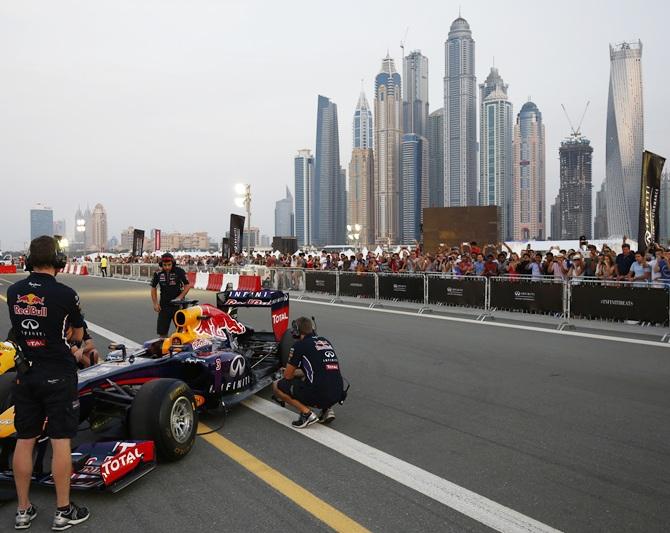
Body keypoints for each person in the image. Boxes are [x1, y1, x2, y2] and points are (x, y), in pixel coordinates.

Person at [5, 236, 90, 530]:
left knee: (25, 440)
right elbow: (77, 334)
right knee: (60, 439)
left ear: (29, 260)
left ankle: (23, 510)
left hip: (26, 374)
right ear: (58, 260)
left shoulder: (14, 291)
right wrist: (76, 348)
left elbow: (17, 332)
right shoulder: (67, 294)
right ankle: (63, 511)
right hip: (58, 374)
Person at [272, 317, 345, 428]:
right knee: (320, 376)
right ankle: (327, 410)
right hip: (338, 392)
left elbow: (287, 376)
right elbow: (317, 368)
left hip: (320, 394)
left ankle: (307, 414)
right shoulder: (325, 341)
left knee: (277, 385)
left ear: (296, 331)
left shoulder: (299, 346)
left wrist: (287, 371)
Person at [150, 253, 192, 338]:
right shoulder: (157, 273)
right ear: (161, 264)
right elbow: (153, 288)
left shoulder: (180, 271)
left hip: (178, 306)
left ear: (173, 263)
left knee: (182, 331)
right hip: (164, 306)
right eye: (164, 265)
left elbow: (188, 285)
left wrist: (180, 297)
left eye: (169, 265)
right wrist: (155, 303)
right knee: (162, 333)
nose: (167, 267)